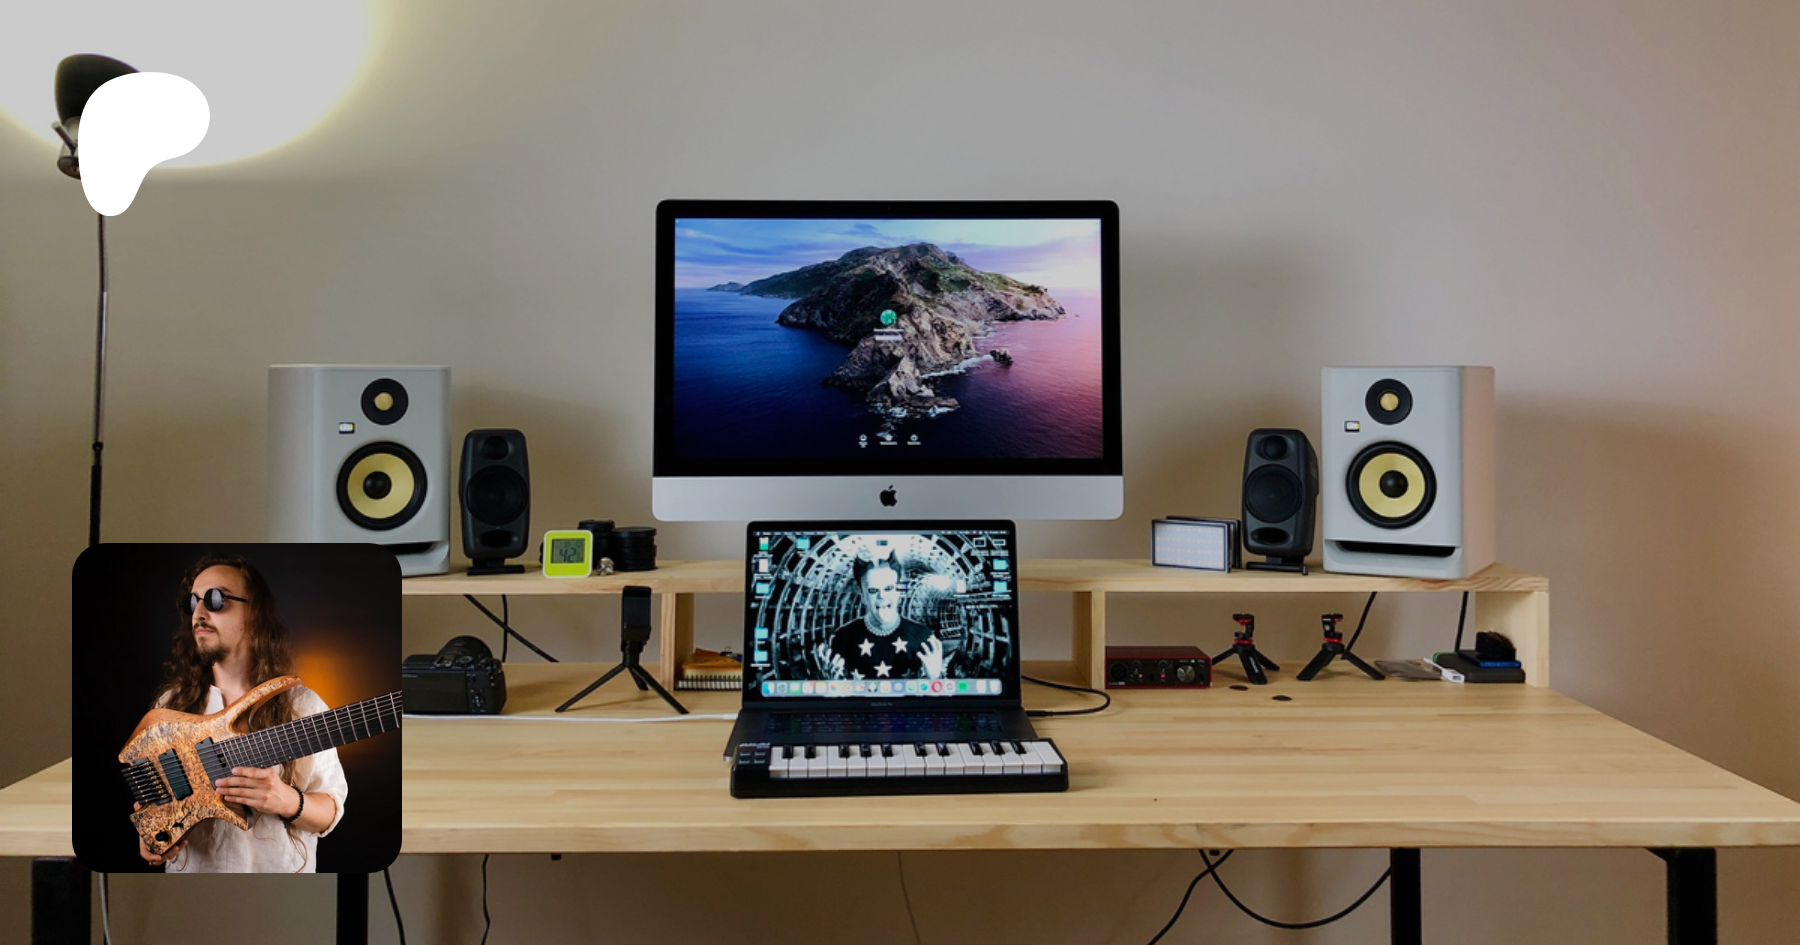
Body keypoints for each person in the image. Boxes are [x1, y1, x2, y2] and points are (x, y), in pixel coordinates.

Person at [136, 552, 347, 873]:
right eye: (193, 603)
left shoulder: (303, 705)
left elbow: (330, 809)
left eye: (215, 599)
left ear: (255, 613)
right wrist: (153, 832)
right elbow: (155, 800)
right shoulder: (170, 706)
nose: (199, 614)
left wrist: (286, 800)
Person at [821, 553, 948, 680]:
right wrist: (830, 683)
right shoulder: (842, 638)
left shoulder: (923, 637)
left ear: (898, 591)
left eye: (888, 588)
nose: (881, 596)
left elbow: (935, 692)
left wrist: (935, 678)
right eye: (873, 590)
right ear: (862, 595)